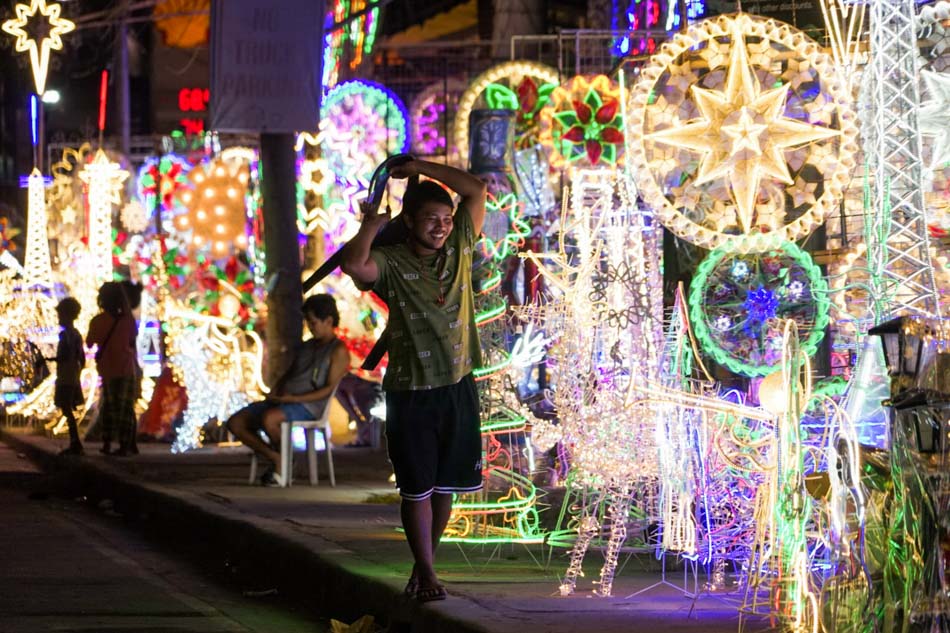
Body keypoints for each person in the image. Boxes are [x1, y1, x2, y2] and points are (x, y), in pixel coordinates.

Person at [341, 159, 487, 603]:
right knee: (416, 487)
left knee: (446, 486)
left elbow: (476, 190)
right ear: (409, 222)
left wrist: (419, 165)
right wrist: (371, 224)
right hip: (411, 390)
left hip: (458, 385)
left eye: (446, 219)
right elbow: (354, 265)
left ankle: (426, 568)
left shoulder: (461, 244)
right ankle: (425, 571)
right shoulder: (391, 260)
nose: (441, 227)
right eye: (430, 220)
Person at [225, 294, 350, 487]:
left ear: (329, 321)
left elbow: (327, 390)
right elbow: (290, 374)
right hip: (283, 401)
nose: (310, 327)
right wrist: (276, 392)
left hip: (308, 406)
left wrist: (294, 398)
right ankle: (278, 458)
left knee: (270, 419)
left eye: (313, 322)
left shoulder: (338, 350)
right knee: (236, 423)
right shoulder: (307, 346)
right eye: (308, 322)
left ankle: (282, 463)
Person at [87, 282, 141, 456]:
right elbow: (132, 342)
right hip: (126, 369)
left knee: (109, 406)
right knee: (125, 407)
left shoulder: (97, 321)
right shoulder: (128, 321)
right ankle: (126, 444)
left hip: (107, 370)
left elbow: (89, 343)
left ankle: (107, 442)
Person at [53, 297, 85, 456]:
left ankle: (75, 442)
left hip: (65, 375)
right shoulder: (77, 334)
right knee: (67, 407)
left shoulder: (65, 335)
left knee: (65, 407)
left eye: (60, 315)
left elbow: (63, 356)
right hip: (73, 374)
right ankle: (75, 442)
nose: (58, 319)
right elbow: (82, 358)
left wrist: (47, 360)